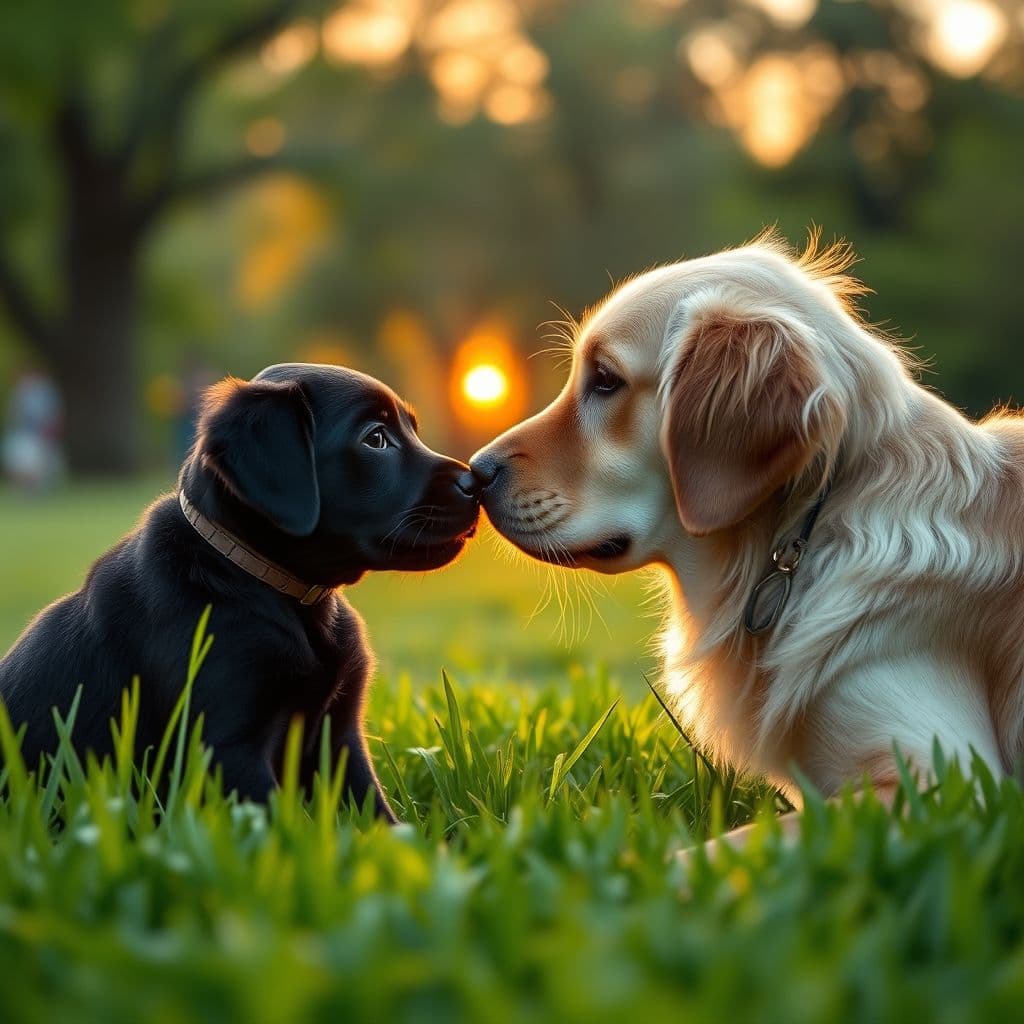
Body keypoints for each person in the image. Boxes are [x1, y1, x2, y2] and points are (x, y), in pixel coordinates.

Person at [2, 365, 65, 492]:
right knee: (20, 463)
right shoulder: (20, 393)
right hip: (21, 433)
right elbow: (14, 415)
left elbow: (52, 414)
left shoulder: (45, 392)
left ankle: (37, 490)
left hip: (38, 433)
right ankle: (25, 490)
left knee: (38, 464)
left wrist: (49, 432)